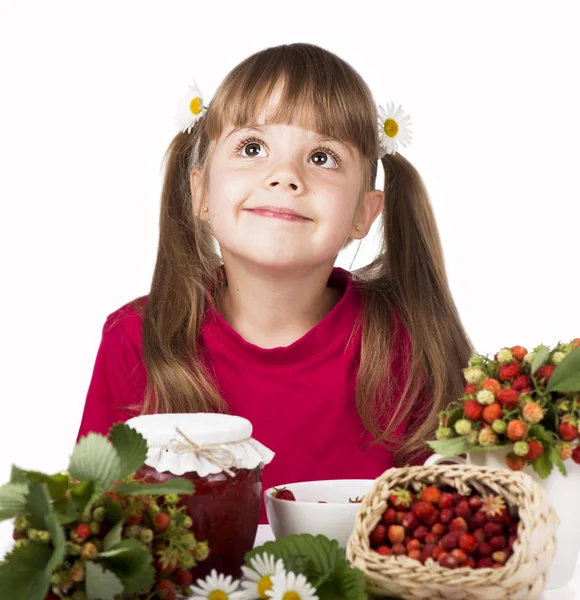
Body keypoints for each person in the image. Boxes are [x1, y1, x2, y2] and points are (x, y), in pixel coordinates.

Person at [76, 43, 475, 522]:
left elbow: (451, 539)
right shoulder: (135, 340)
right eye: (252, 148)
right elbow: (88, 534)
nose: (285, 175)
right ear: (201, 191)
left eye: (323, 158)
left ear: (363, 214)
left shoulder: (411, 346)